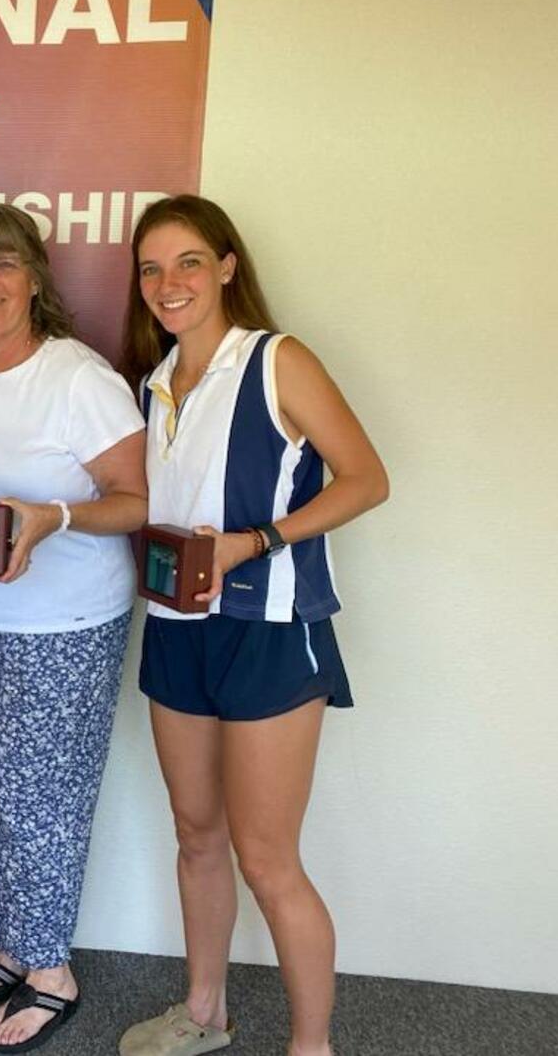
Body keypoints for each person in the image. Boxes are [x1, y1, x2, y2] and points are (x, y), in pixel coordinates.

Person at [115, 195, 388, 1056]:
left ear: (228, 265)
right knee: (196, 833)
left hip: (269, 632)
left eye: (189, 261)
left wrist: (257, 541)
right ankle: (204, 1013)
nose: (170, 282)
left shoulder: (276, 361)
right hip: (177, 631)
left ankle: (313, 1047)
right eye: (152, 268)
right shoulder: (155, 384)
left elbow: (366, 479)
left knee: (267, 857)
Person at [0, 203, 148, 1053]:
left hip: (67, 618)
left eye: (4, 264)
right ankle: (13, 948)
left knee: (44, 800)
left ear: (35, 277)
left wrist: (52, 515)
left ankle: (53, 970)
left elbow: (138, 498)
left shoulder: (77, 376)